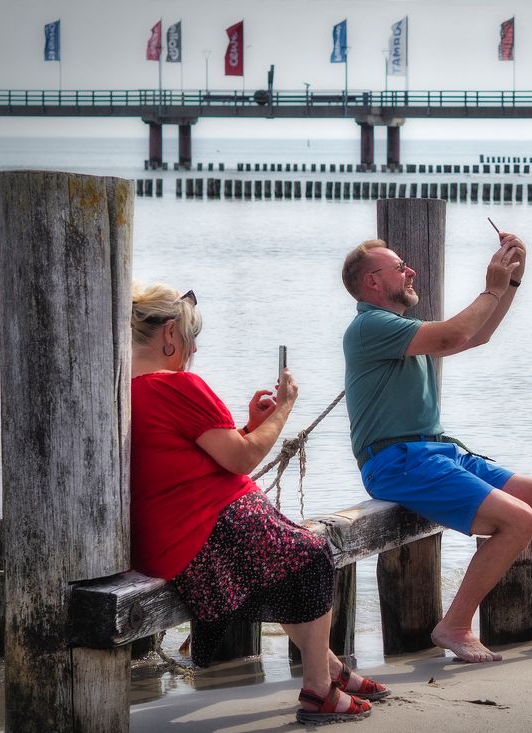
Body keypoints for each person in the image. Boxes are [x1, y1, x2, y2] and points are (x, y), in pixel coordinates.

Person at [340, 236, 532, 664]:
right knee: (519, 519)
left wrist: (511, 284)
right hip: (397, 461)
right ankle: (455, 626)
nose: (411, 271)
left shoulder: (400, 329)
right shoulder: (369, 325)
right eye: (400, 266)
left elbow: (476, 336)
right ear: (373, 282)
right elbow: (455, 334)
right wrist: (491, 287)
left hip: (437, 452)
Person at [130, 282, 386, 725]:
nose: (192, 351)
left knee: (287, 563)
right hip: (199, 531)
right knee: (313, 556)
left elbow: (199, 459)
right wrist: (284, 409)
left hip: (171, 535)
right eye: (191, 340)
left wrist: (251, 424)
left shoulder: (128, 389)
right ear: (169, 335)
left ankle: (331, 669)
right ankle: (319, 690)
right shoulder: (177, 384)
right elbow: (242, 458)